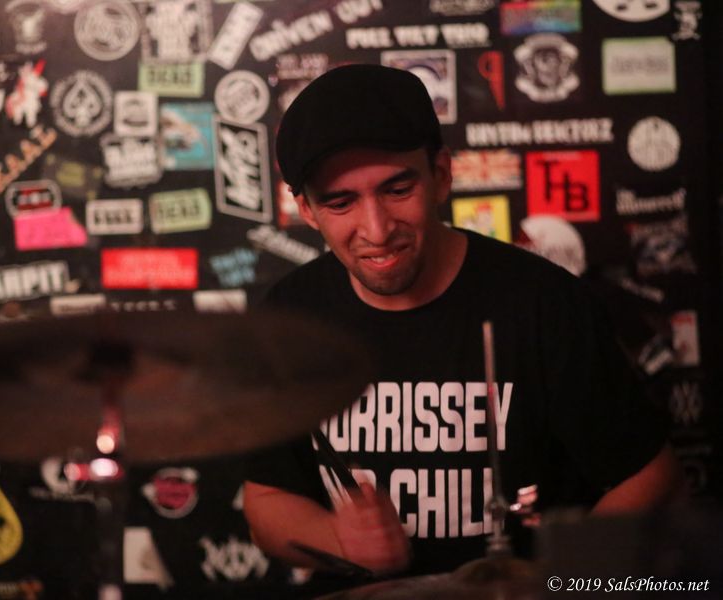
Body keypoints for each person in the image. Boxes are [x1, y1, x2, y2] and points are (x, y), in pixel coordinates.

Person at [243, 64, 683, 581]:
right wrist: (337, 538)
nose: (377, 230)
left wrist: (554, 583)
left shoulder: (543, 302)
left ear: (441, 175)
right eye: (341, 202)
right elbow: (266, 500)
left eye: (397, 189)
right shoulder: (289, 318)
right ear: (306, 209)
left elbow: (650, 476)